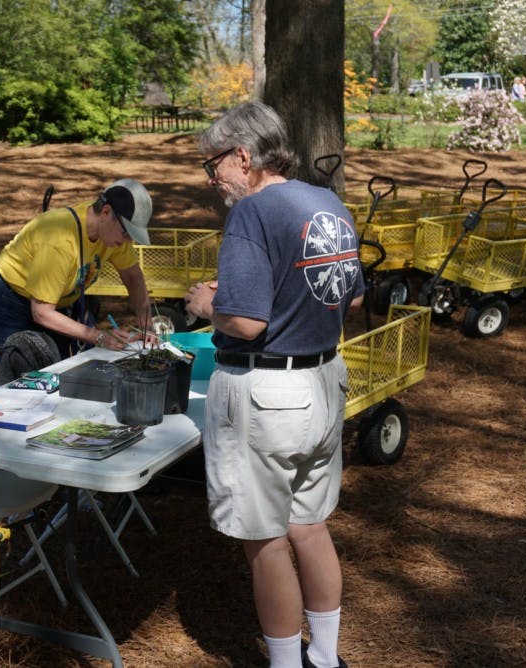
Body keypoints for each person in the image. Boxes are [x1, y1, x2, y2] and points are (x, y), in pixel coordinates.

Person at [183, 102, 363, 668]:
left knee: (263, 540)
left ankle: (285, 664)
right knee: (308, 527)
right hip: (325, 382)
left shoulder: (252, 213)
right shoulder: (326, 201)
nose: (213, 181)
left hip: (265, 393)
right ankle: (326, 658)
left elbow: (245, 323)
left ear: (243, 155)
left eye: (213, 167)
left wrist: (209, 304)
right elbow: (350, 296)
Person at [0, 178, 153, 366]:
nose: (128, 241)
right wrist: (99, 336)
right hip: (10, 298)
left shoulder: (113, 234)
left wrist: (147, 329)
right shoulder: (60, 240)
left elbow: (133, 277)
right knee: (23, 371)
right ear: (106, 212)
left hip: (55, 301)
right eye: (127, 233)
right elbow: (41, 313)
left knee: (58, 370)